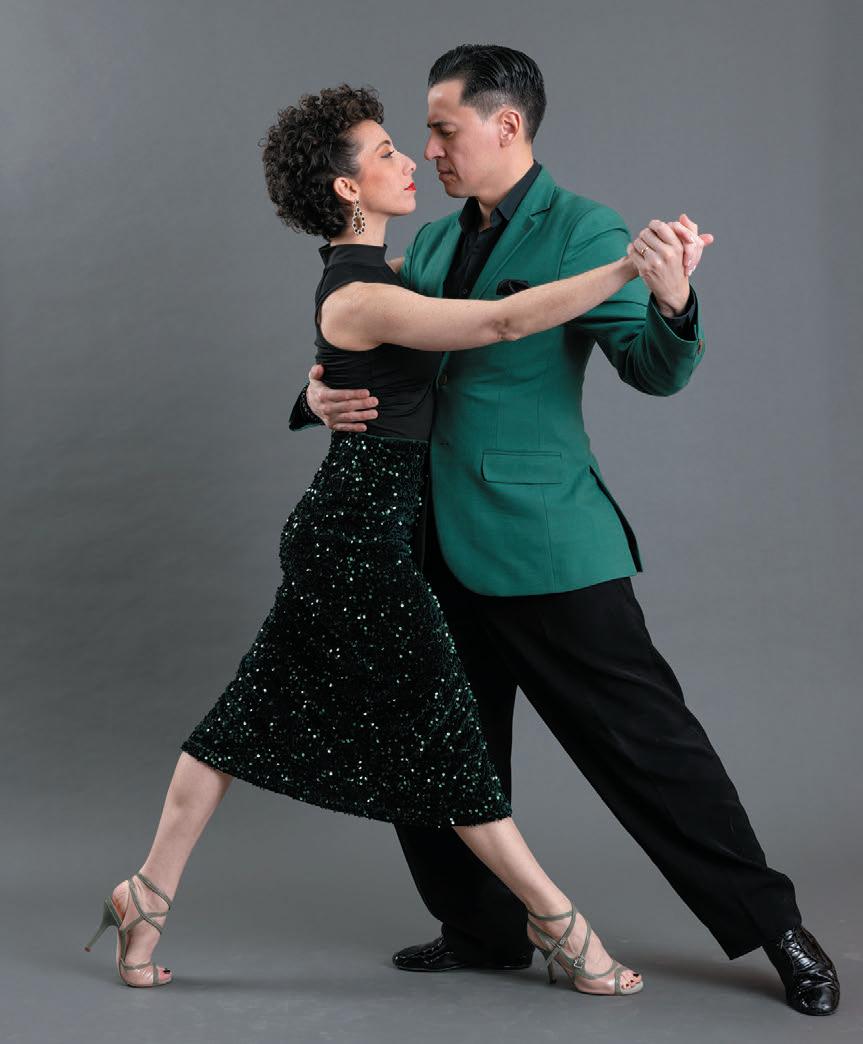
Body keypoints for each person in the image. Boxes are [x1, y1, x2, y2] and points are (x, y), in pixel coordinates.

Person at [82, 81, 702, 998]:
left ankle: (145, 895)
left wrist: (313, 391)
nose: (411, 159)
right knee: (447, 744)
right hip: (360, 543)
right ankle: (561, 928)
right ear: (346, 189)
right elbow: (497, 321)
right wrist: (626, 268)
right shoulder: (360, 292)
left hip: (365, 530)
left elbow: (374, 356)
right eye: (384, 153)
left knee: (239, 727)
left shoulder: (388, 273)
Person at [298, 45, 840, 1017]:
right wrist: (311, 396)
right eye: (423, 134)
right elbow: (369, 338)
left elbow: (651, 368)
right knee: (433, 750)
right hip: (425, 543)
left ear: (505, 125)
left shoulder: (585, 229)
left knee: (651, 750)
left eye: (443, 129)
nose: (430, 149)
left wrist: (671, 298)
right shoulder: (429, 244)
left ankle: (776, 930)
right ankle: (479, 931)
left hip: (545, 538)